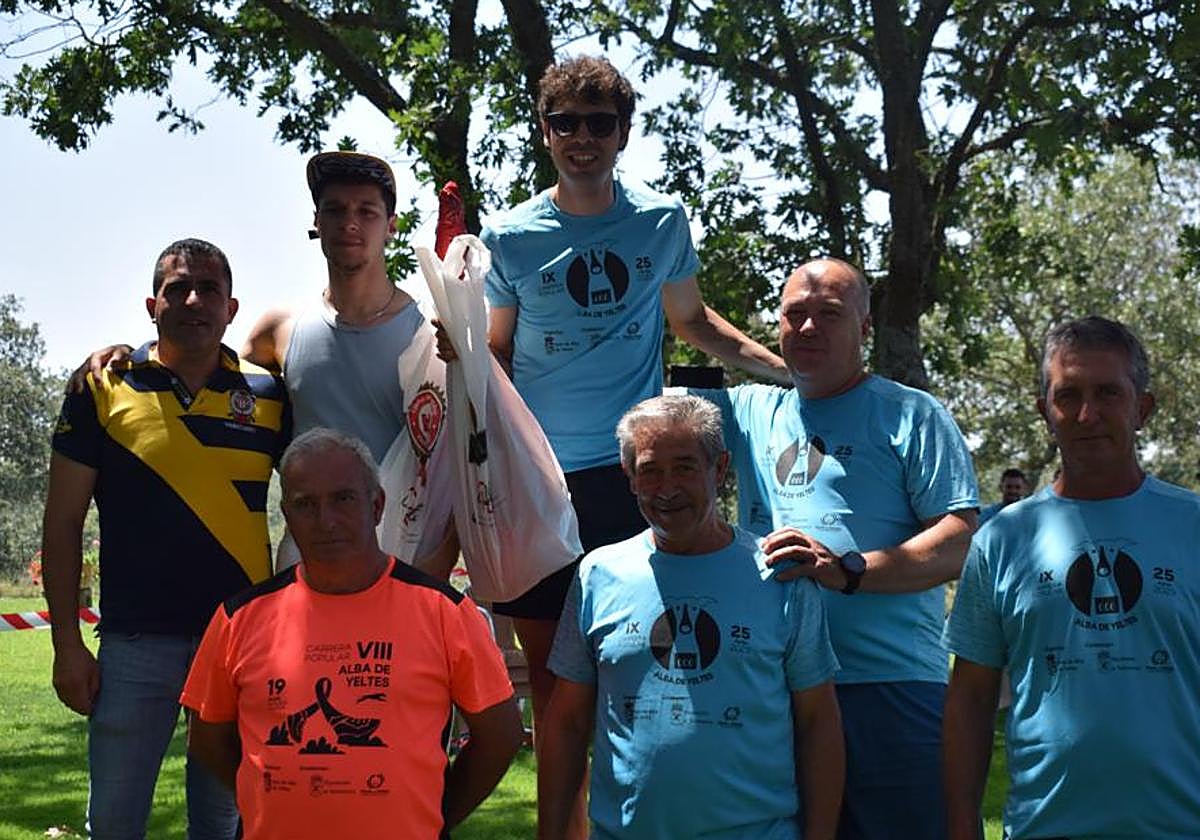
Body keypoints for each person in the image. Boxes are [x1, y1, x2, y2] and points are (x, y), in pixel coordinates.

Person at [476, 54, 791, 787]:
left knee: (645, 669)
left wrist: (784, 369)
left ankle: (659, 808)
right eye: (564, 123)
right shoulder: (512, 235)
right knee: (557, 686)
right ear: (545, 133)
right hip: (540, 479)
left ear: (623, 133)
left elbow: (693, 321)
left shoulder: (660, 221)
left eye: (598, 123)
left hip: (634, 477)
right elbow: (493, 349)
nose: (580, 137)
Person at [695, 257, 979, 840]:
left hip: (890, 686)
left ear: (865, 329)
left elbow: (959, 541)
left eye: (829, 315)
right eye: (795, 315)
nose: (808, 329)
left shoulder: (911, 414)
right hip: (777, 687)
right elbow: (680, 332)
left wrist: (849, 570)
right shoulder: (750, 412)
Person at [76, 151, 455, 575]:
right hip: (307, 565)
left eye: (367, 211)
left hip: (405, 560)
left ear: (391, 226)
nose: (350, 222)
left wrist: (441, 560)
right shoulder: (279, 331)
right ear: (316, 223)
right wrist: (134, 353)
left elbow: (466, 457)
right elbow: (201, 373)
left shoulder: (433, 333)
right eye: (335, 209)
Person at [42, 238, 291, 839]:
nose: (194, 299)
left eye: (209, 288)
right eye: (178, 288)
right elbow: (62, 522)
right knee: (114, 824)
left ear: (232, 309)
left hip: (238, 645)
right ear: (152, 305)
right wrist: (67, 645)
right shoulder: (101, 387)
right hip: (133, 646)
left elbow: (318, 497)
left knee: (222, 824)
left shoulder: (270, 396)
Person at [181, 428, 523, 839]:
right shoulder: (240, 617)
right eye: (305, 505)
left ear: (376, 505)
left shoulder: (443, 611)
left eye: (343, 499)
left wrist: (434, 813)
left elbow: (500, 735)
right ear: (287, 516)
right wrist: (265, 793)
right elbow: (208, 737)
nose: (326, 521)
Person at [539, 395, 844, 839]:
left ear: (719, 469)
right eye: (650, 470)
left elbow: (819, 722)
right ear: (629, 477)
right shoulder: (599, 574)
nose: (667, 488)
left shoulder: (781, 575)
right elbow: (566, 722)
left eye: (684, 467)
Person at [943, 316, 1200, 840]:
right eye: (1068, 395)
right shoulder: (1002, 540)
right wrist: (962, 826)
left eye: (1108, 392)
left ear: (1142, 408)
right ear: (1045, 412)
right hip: (1045, 826)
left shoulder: (1191, 525)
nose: (1088, 414)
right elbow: (970, 699)